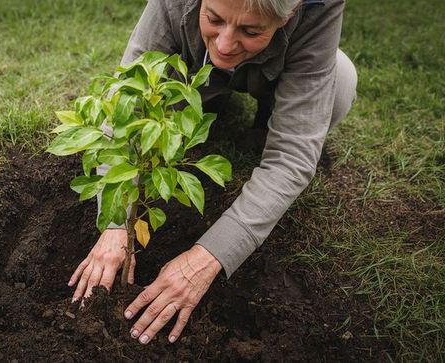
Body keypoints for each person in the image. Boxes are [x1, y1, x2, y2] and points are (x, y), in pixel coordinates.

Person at [67, 0, 357, 345]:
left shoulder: (317, 7)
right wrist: (116, 223)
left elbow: (291, 159)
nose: (224, 43)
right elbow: (124, 105)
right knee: (157, 92)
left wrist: (207, 258)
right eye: (214, 19)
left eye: (251, 30)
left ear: (290, 14)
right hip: (191, 66)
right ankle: (205, 95)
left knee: (339, 83)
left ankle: (266, 118)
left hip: (281, 68)